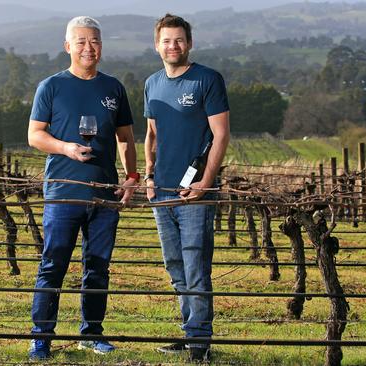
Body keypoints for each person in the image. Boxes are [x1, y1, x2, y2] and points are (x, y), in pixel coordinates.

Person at [27, 15, 138, 360]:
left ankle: (91, 334)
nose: (89, 48)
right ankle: (41, 338)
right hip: (63, 192)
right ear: (67, 47)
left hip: (104, 194)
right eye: (81, 42)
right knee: (53, 265)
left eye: (95, 42)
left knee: (98, 266)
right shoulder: (51, 86)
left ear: (101, 46)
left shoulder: (113, 88)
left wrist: (132, 177)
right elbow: (34, 136)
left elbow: (125, 138)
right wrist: (66, 148)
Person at [143, 13, 230, 362]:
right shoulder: (152, 83)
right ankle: (188, 331)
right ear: (157, 45)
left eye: (179, 39)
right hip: (162, 192)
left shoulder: (207, 79)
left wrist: (205, 182)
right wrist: (148, 177)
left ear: (189, 43)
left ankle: (200, 343)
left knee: (196, 266)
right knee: (175, 265)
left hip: (195, 193)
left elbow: (221, 134)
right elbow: (151, 134)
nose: (173, 46)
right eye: (166, 40)